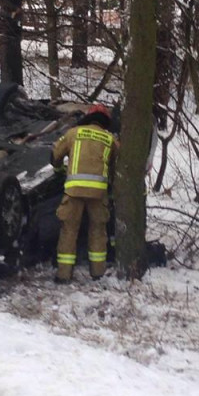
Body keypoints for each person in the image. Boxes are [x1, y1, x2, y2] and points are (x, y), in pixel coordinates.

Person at [50, 103, 119, 283]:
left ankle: (63, 274)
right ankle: (98, 272)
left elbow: (55, 155)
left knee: (69, 230)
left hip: (73, 191)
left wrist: (59, 169)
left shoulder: (74, 133)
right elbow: (115, 166)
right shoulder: (109, 139)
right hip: (98, 193)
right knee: (98, 230)